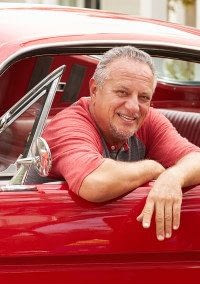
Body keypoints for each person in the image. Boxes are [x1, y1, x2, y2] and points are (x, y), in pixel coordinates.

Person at [42, 46, 200, 241]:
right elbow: (95, 182)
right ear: (94, 90)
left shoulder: (148, 119)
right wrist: (155, 169)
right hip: (49, 240)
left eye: (143, 97)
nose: (133, 107)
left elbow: (196, 160)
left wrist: (174, 176)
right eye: (122, 92)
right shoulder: (69, 124)